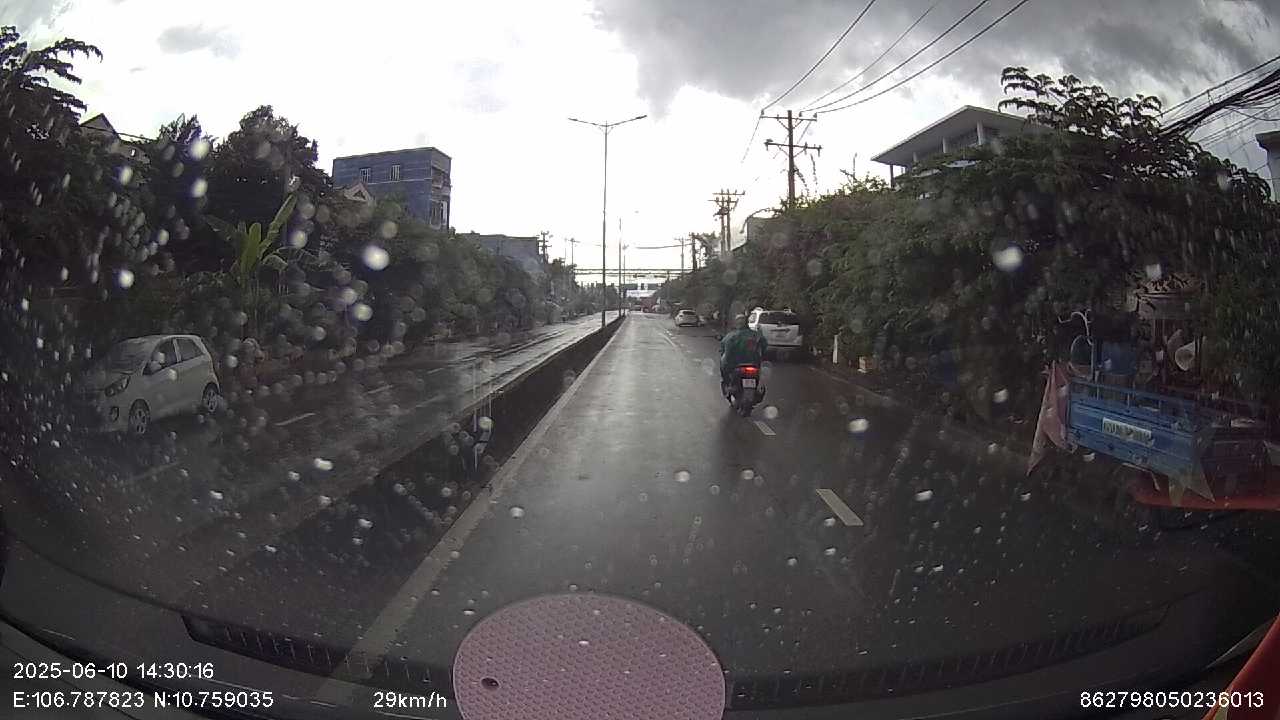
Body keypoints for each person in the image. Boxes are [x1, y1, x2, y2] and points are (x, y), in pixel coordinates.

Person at [720, 314, 767, 394]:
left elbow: (726, 350)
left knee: (723, 365)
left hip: (736, 364)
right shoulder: (755, 334)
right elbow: (764, 345)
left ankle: (728, 385)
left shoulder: (731, 336)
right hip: (754, 363)